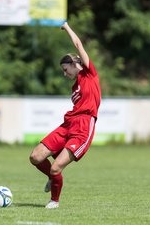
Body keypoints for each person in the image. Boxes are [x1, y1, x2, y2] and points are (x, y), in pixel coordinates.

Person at [29, 22, 101, 209]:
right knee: (35, 157)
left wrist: (67, 27)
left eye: (65, 68)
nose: (64, 73)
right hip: (67, 124)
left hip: (83, 127)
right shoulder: (74, 87)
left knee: (55, 167)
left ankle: (54, 201)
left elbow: (78, 45)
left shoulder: (89, 74)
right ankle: (51, 178)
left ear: (74, 63)